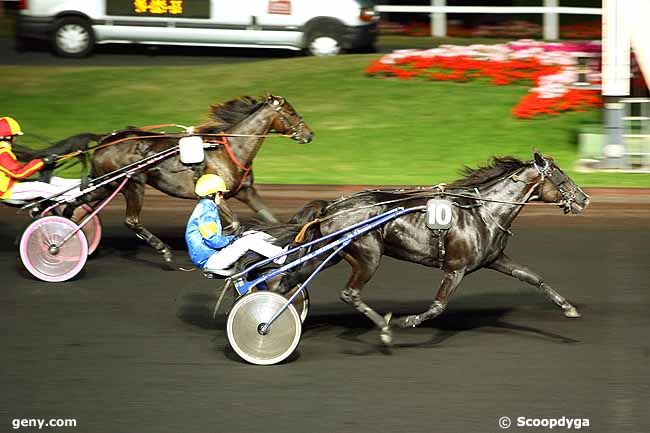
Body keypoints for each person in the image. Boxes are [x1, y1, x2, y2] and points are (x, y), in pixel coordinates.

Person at [185, 174, 287, 270]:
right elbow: (213, 241)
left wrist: (235, 237)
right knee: (248, 241)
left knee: (251, 234)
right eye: (220, 193)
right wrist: (233, 238)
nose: (222, 197)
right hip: (210, 260)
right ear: (211, 195)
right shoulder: (206, 212)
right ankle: (281, 256)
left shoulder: (206, 208)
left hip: (212, 256)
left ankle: (281, 245)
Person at [0, 116, 80, 202]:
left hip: (13, 184)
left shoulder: (4, 150)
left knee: (53, 180)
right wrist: (42, 161)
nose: (16, 138)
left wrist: (42, 162)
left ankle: (82, 184)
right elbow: (19, 173)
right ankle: (77, 195)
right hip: (7, 191)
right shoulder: (2, 153)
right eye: (15, 135)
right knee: (40, 187)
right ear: (8, 137)